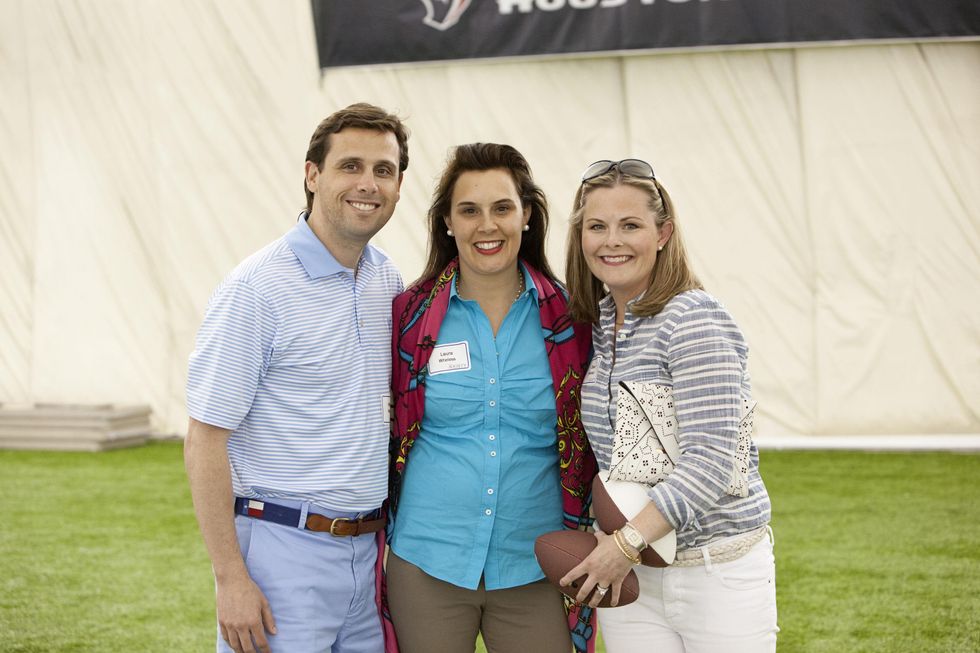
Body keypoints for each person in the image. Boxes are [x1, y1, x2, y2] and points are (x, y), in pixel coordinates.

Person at [184, 103, 410, 653]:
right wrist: (230, 578)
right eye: (350, 166)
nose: (368, 184)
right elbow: (204, 438)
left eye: (384, 170)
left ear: (401, 184)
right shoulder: (256, 289)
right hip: (281, 554)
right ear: (312, 175)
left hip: (368, 555)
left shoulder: (388, 279)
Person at [385, 143, 598, 653]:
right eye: (469, 210)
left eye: (502, 208)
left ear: (526, 214)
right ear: (446, 223)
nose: (487, 225)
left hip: (537, 566)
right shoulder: (408, 317)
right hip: (427, 560)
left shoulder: (574, 319)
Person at [561, 159, 777, 652]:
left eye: (630, 225)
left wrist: (625, 543)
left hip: (714, 570)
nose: (611, 240)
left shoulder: (693, 319)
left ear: (663, 233)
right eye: (597, 226)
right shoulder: (597, 327)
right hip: (635, 575)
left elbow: (713, 461)